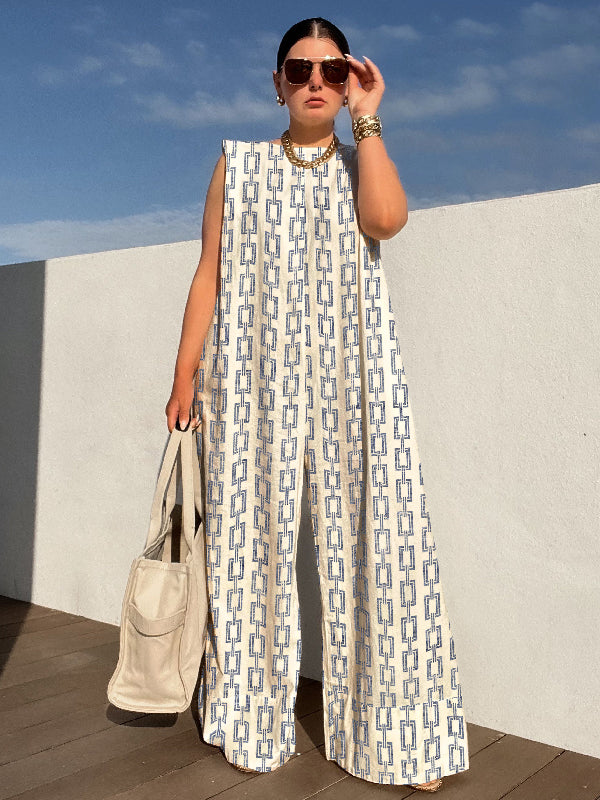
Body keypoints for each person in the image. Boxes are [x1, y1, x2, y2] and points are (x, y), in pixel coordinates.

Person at [165, 17, 469, 792]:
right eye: (299, 69)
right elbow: (209, 272)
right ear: (277, 83)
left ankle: (398, 738)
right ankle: (247, 718)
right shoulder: (238, 164)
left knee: (382, 540)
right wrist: (184, 373)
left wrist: (369, 119)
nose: (314, 82)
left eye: (332, 70)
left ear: (348, 81)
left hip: (355, 374)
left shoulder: (361, 159)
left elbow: (386, 220)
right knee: (247, 546)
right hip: (251, 376)